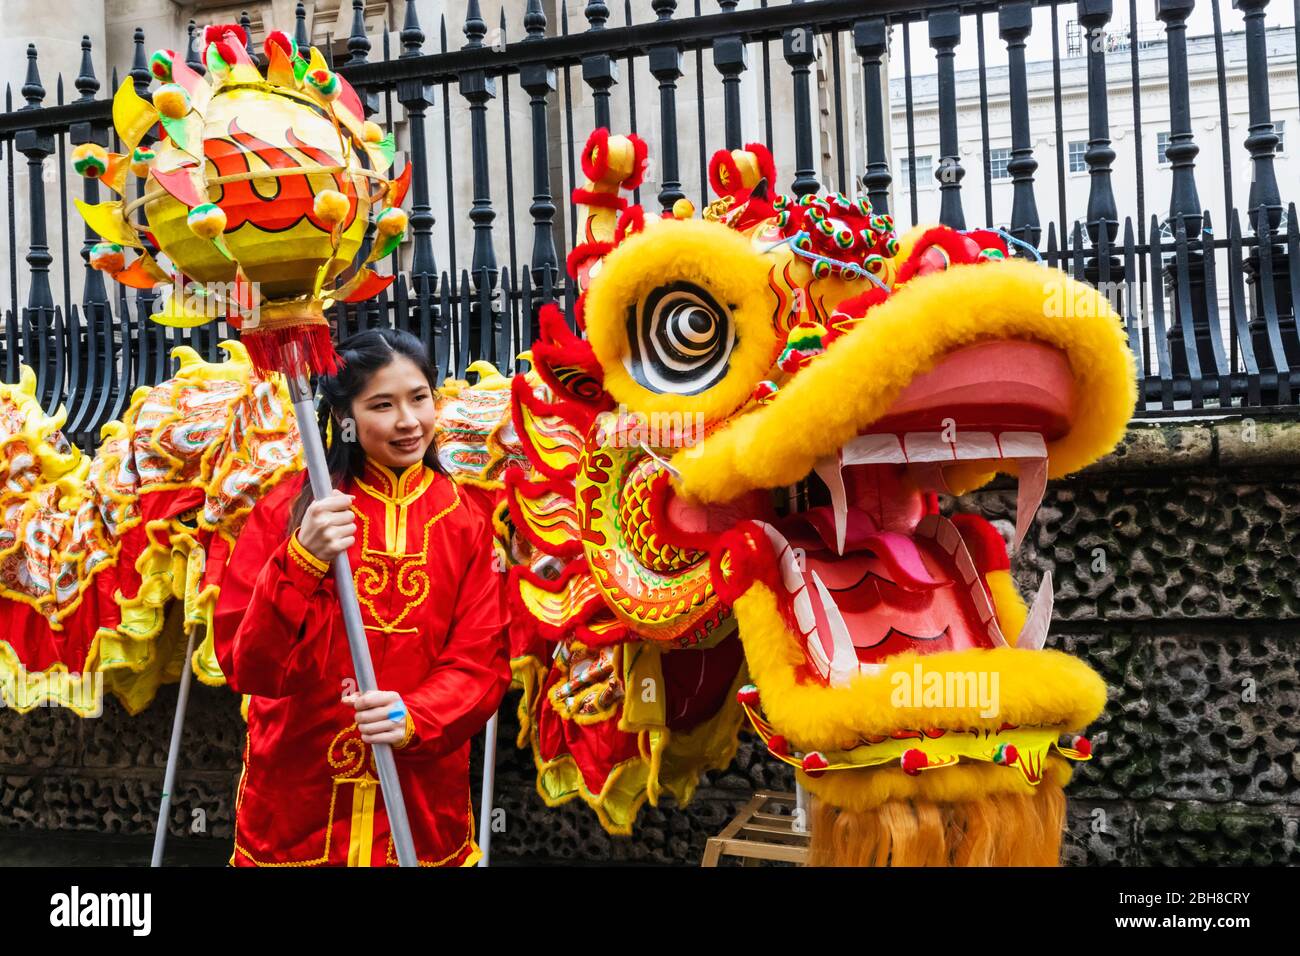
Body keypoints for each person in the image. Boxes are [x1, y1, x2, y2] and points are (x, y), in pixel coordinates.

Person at [213, 328, 510, 867]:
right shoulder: (290, 510)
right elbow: (248, 664)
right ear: (344, 417)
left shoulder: (465, 520)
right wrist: (302, 558)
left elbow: (481, 662)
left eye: (419, 398)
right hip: (301, 789)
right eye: (382, 405)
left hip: (420, 790)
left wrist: (415, 716)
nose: (408, 421)